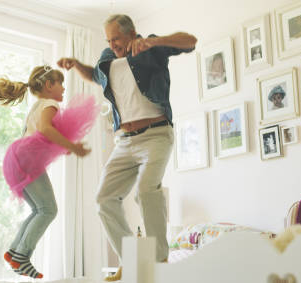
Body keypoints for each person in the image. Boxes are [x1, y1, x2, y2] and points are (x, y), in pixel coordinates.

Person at [58, 14, 197, 281]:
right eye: (109, 40)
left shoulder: (150, 47)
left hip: (156, 135)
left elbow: (190, 42)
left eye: (117, 39)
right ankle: (131, 261)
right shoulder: (107, 58)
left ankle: (159, 262)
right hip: (124, 141)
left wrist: (155, 43)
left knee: (146, 192)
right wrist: (77, 65)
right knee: (104, 199)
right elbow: (97, 77)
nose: (113, 44)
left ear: (132, 32)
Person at [0, 65, 94, 279]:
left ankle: (14, 253)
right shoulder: (50, 103)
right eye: (60, 84)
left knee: (39, 210)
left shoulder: (37, 106)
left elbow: (40, 136)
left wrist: (62, 147)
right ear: (48, 85)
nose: (64, 89)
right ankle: (20, 256)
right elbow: (46, 129)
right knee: (48, 210)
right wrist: (73, 147)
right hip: (27, 160)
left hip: (16, 159)